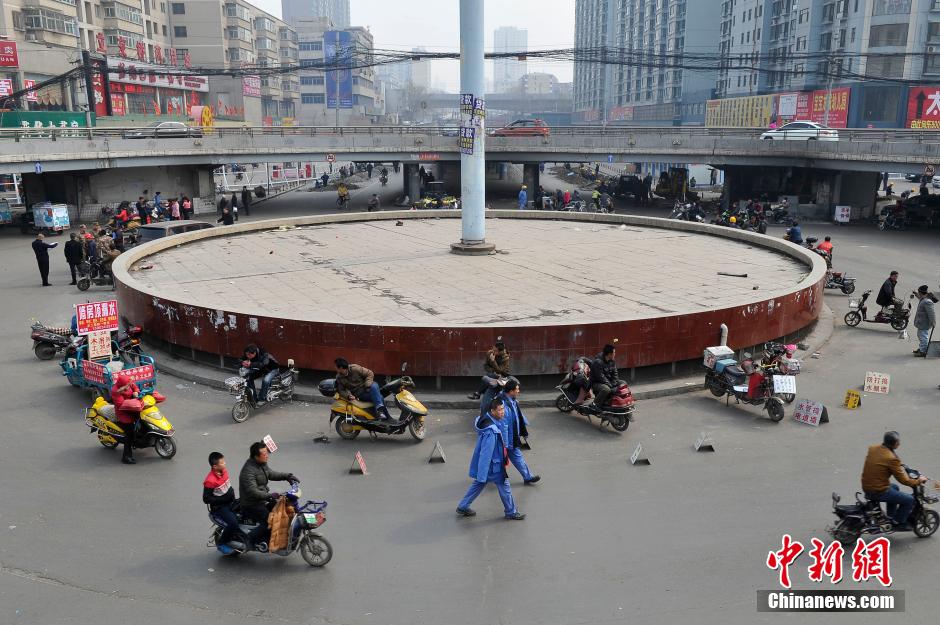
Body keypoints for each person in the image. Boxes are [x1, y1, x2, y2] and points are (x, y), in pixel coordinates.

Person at [456, 398, 525, 520]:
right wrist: (482, 473)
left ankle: (463, 506)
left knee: (478, 484)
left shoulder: (486, 419)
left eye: (503, 409)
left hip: (492, 464)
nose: (502, 412)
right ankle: (511, 512)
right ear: (493, 411)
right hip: (494, 466)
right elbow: (486, 454)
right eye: (500, 410)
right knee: (505, 486)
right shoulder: (491, 431)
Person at [861, 431, 928, 531]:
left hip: (867, 486)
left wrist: (902, 466)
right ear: (894, 444)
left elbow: (890, 460)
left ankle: (891, 516)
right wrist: (918, 481)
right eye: (898, 442)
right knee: (909, 500)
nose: (899, 443)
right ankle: (899, 522)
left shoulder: (873, 448)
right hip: (877, 491)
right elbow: (904, 480)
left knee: (894, 488)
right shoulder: (890, 459)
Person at [238, 442, 298, 548]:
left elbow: (270, 473)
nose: (267, 455)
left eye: (267, 453)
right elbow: (253, 491)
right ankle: (248, 539)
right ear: (256, 456)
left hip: (262, 498)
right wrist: (269, 495)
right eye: (264, 454)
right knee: (269, 522)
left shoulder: (262, 464)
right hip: (252, 503)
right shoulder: (248, 471)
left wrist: (287, 476)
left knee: (281, 509)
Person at [497, 379, 540, 485]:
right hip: (505, 438)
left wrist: (523, 430)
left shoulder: (512, 401)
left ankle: (527, 476)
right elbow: (504, 426)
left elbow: (518, 417)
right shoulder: (503, 405)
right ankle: (484, 476)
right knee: (496, 458)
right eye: (517, 389)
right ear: (511, 391)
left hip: (512, 436)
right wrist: (506, 444)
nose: (518, 391)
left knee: (516, 456)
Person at [203, 451, 240, 554]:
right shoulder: (210, 481)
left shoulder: (224, 471)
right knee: (233, 524)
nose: (225, 464)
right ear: (215, 466)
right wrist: (224, 499)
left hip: (231, 502)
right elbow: (206, 499)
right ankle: (222, 543)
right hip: (220, 508)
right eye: (222, 463)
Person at [111, 373, 141, 464]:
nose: (128, 386)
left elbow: (135, 386)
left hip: (134, 406)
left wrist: (136, 391)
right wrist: (134, 401)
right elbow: (121, 404)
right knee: (129, 433)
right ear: (122, 385)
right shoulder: (115, 391)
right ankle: (126, 457)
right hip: (123, 412)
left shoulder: (128, 383)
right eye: (127, 386)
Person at [590, 344, 621, 409]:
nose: (615, 354)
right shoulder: (598, 362)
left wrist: (614, 383)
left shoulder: (612, 361)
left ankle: (611, 401)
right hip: (597, 383)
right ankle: (594, 404)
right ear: (609, 354)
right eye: (614, 352)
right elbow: (600, 377)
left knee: (623, 383)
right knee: (606, 389)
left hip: (607, 381)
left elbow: (615, 373)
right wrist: (610, 385)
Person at [912, 285, 937, 357]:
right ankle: (921, 348)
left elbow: (931, 313)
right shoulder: (924, 298)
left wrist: (933, 322)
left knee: (923, 337)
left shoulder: (927, 302)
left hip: (924, 323)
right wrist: (915, 293)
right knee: (921, 336)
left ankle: (923, 351)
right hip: (921, 322)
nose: (918, 293)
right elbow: (920, 297)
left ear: (921, 292)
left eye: (918, 292)